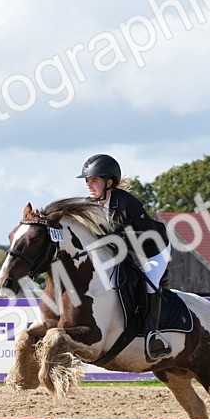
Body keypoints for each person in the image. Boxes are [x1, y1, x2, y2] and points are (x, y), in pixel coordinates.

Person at [78, 153, 172, 359]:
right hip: (124, 251)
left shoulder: (127, 202)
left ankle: (152, 334)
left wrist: (117, 237)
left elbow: (150, 234)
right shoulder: (89, 204)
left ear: (109, 182)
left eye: (94, 180)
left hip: (154, 249)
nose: (89, 185)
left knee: (149, 284)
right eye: (87, 180)